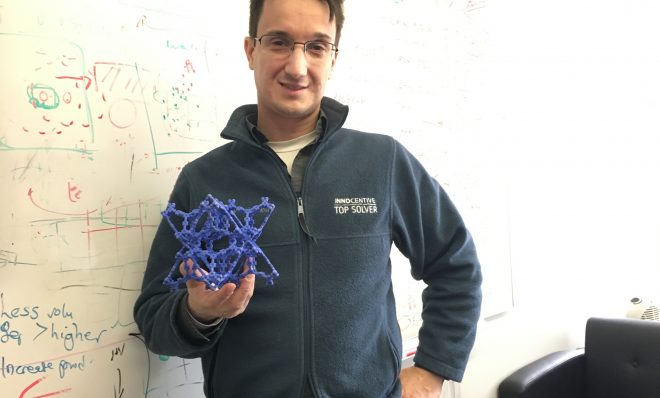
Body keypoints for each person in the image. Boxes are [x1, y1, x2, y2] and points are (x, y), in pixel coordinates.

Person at [133, 0, 483, 397]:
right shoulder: (204, 182)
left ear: (333, 58)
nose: (298, 67)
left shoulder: (382, 162)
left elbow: (455, 264)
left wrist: (433, 370)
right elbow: (153, 316)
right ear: (251, 50)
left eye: (316, 46)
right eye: (279, 42)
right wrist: (197, 313)